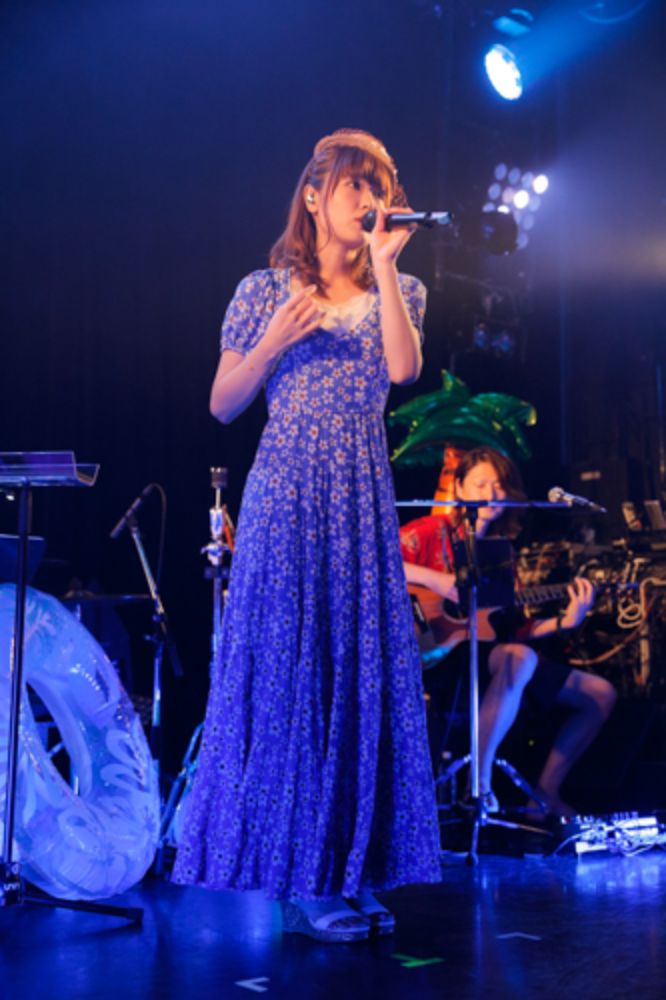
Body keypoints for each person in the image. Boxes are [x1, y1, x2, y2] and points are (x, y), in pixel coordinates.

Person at [173, 129, 441, 942]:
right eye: (355, 183)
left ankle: (353, 868)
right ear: (316, 197)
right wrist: (272, 342)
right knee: (296, 676)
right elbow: (223, 403)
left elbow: (403, 371)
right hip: (287, 492)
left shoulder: (404, 286)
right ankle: (304, 879)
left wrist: (385, 266)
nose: (369, 198)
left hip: (360, 495)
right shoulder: (263, 289)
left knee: (357, 675)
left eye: (380, 185)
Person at [401, 447, 617, 819]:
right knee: (519, 658)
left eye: (499, 485)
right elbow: (374, 557)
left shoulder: (499, 553)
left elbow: (510, 628)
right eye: (481, 484)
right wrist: (437, 580)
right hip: (435, 654)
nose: (492, 493)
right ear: (459, 488)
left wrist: (567, 621)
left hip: (491, 656)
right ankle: (480, 784)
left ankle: (543, 795)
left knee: (599, 694)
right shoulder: (430, 532)